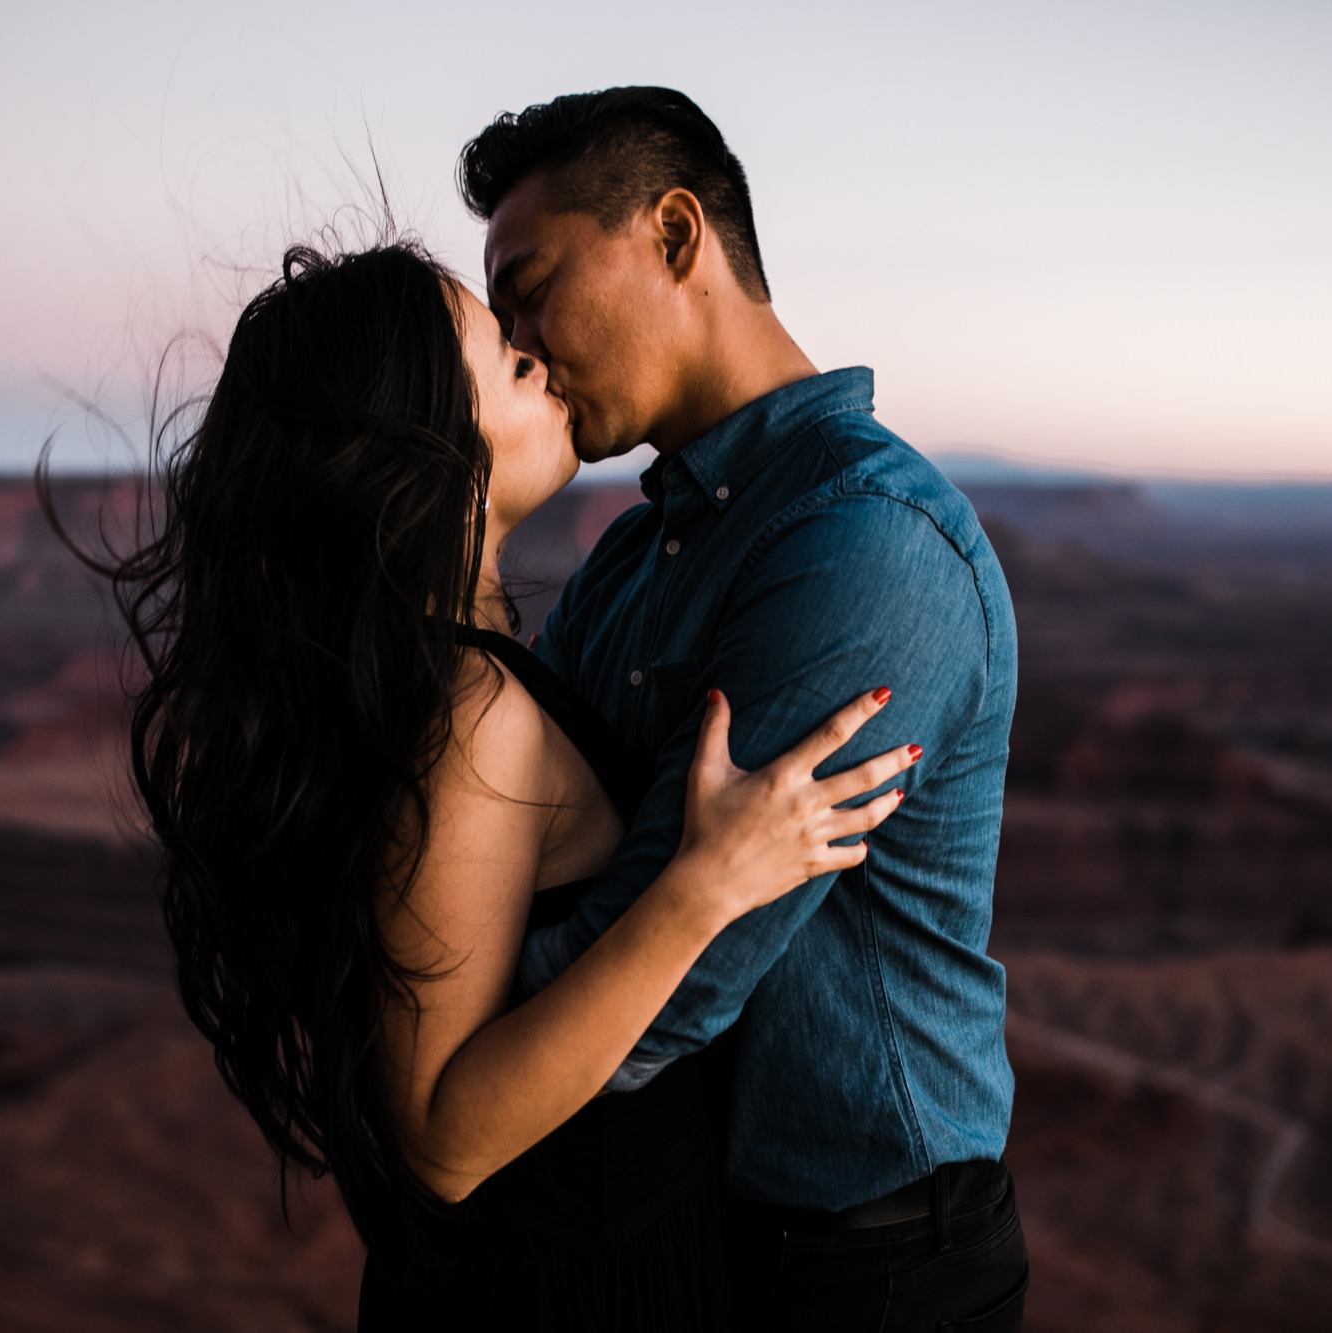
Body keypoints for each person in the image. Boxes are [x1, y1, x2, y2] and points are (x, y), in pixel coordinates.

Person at [75, 240, 921, 1329]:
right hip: (565, 1284)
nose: (540, 359)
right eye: (500, 357)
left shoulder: (419, 681)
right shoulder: (462, 713)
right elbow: (442, 1136)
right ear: (417, 438)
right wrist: (707, 885)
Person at [460, 87, 1029, 1331]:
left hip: (862, 1270)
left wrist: (441, 1011)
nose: (521, 341)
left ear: (673, 236)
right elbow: (512, 844)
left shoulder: (864, 544)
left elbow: (669, 1000)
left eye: (533, 286)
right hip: (683, 1240)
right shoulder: (636, 552)